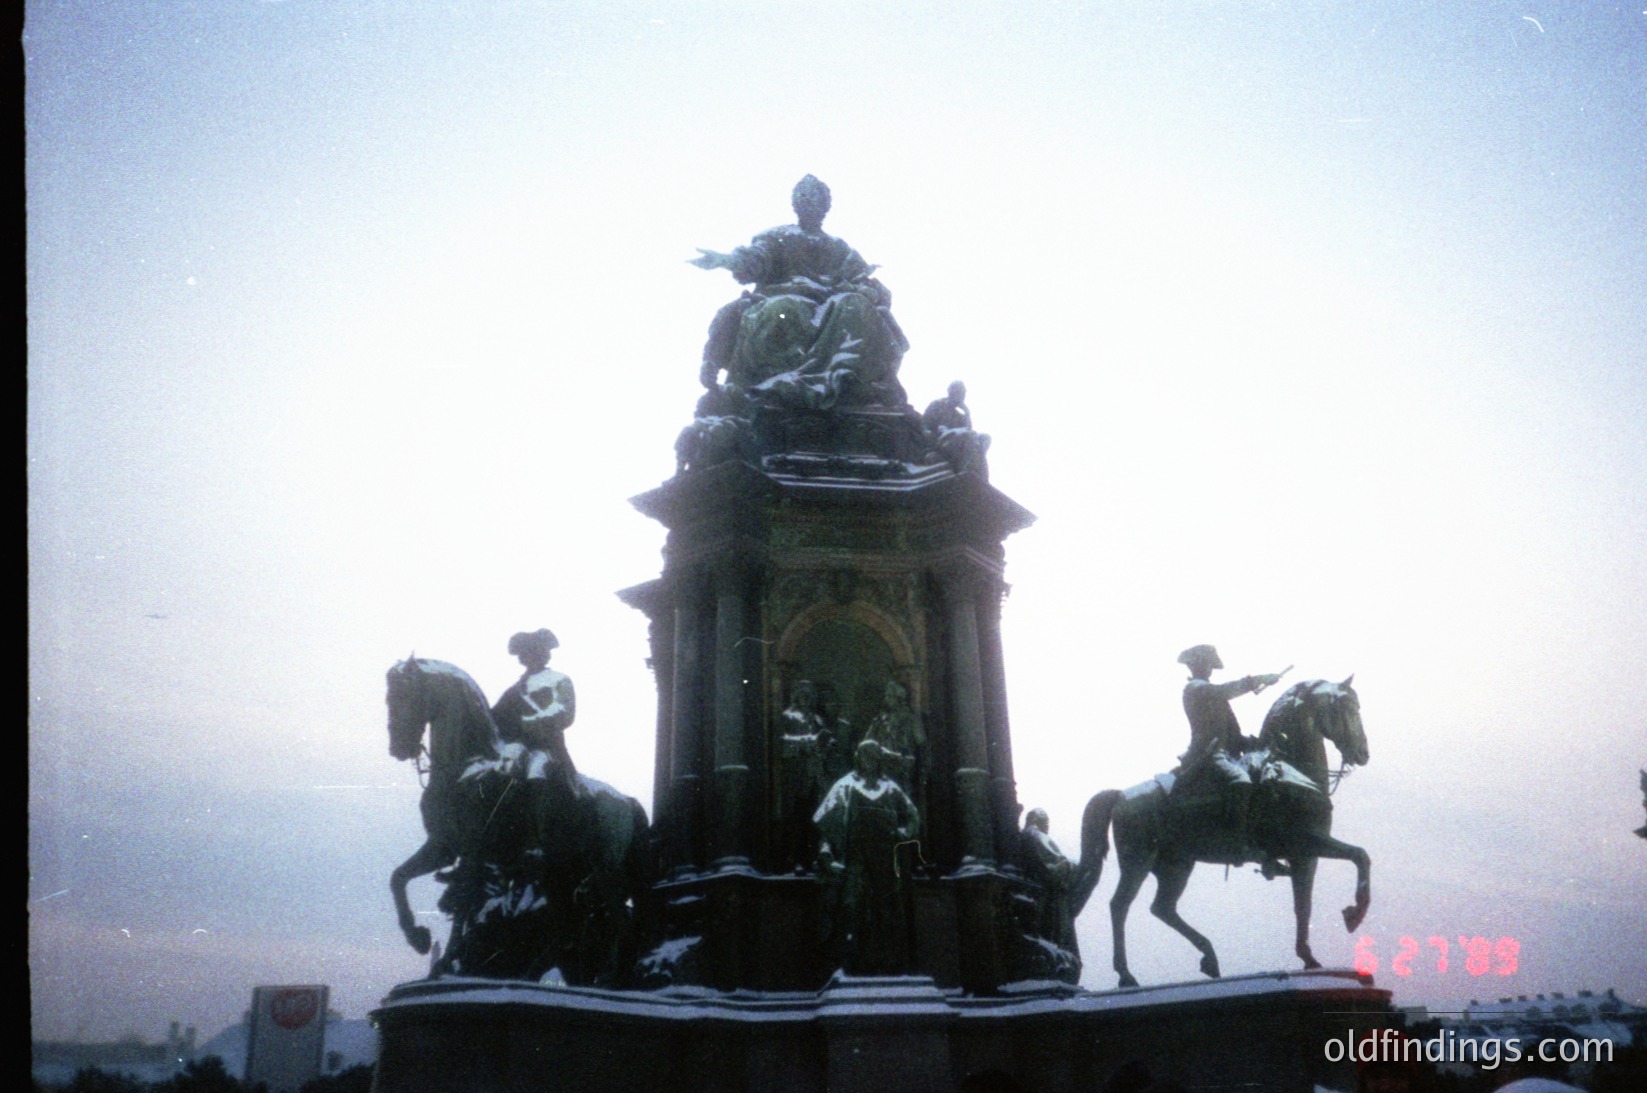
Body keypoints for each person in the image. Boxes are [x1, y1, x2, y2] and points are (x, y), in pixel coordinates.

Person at [691, 175, 909, 409]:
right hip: (783, 299)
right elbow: (754, 260)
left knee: (854, 305)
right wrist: (727, 260)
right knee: (785, 310)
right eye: (803, 199)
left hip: (831, 304)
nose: (808, 204)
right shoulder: (778, 237)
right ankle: (787, 383)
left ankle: (845, 378)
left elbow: (863, 280)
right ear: (795, 204)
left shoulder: (840, 247)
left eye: (815, 200)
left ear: (826, 206)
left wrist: (868, 290)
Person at [814, 740, 920, 974]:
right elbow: (826, 823)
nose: (869, 760)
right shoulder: (845, 785)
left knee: (887, 905)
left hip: (886, 857)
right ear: (857, 757)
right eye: (865, 755)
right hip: (856, 855)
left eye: (873, 755)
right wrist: (826, 852)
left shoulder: (890, 787)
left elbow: (912, 815)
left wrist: (903, 832)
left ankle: (890, 961)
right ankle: (853, 961)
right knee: (853, 905)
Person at [1174, 644, 1283, 869]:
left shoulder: (1214, 696)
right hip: (1206, 754)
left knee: (1262, 780)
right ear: (1193, 666)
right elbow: (1225, 691)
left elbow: (1233, 736)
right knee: (1242, 782)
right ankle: (1236, 844)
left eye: (1210, 666)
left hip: (1224, 753)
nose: (1208, 670)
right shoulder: (1196, 689)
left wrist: (1259, 743)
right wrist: (1258, 680)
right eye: (1204, 665)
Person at [491, 628, 579, 795]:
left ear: (542, 654)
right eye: (524, 654)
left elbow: (564, 714)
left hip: (547, 747)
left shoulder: (559, 680)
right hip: (515, 746)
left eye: (532, 653)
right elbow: (494, 718)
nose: (528, 658)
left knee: (536, 772)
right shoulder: (514, 690)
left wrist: (527, 723)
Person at [1019, 807, 1078, 954]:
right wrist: (1073, 866)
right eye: (1046, 823)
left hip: (1037, 893)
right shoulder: (1035, 834)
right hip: (1046, 896)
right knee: (1057, 936)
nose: (1048, 827)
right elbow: (1053, 866)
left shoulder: (1025, 836)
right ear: (1038, 821)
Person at [921, 380, 991, 478]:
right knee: (968, 435)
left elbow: (969, 429)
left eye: (963, 393)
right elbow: (924, 424)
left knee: (985, 437)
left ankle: (981, 474)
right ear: (950, 391)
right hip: (940, 438)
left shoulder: (961, 412)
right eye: (959, 392)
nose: (962, 395)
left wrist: (967, 413)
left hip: (958, 439)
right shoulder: (937, 404)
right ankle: (963, 470)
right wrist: (931, 435)